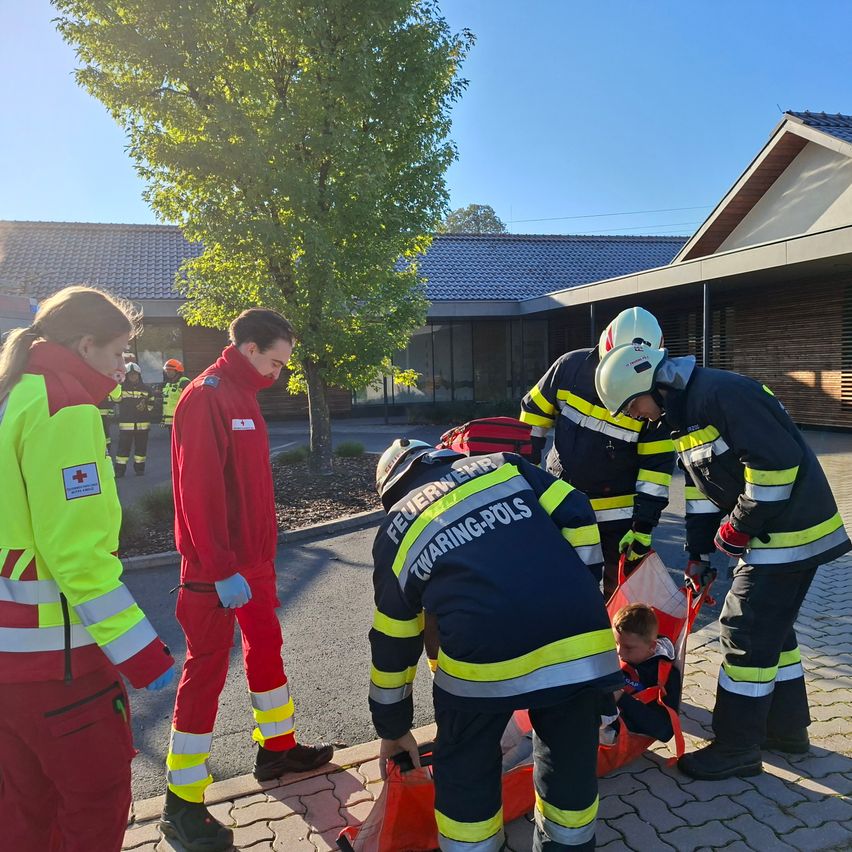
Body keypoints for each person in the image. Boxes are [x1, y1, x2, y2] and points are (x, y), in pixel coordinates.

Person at [595, 343, 851, 780]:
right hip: (775, 535)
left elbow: (776, 467)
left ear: (650, 385)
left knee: (743, 630)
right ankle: (785, 730)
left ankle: (737, 747)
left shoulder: (720, 395)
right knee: (772, 632)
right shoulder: (684, 413)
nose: (637, 417)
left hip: (787, 536)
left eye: (633, 405)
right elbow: (703, 492)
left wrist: (737, 527)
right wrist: (698, 554)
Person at [370, 438, 623, 851]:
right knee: (570, 764)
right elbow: (576, 508)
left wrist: (393, 727)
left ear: (391, 490)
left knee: (466, 772)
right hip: (574, 648)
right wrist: (581, 592)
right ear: (440, 457)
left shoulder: (395, 528)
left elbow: (394, 640)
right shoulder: (504, 465)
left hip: (479, 669)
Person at [0, 285, 175, 852]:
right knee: (94, 803)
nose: (124, 366)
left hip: (10, 662)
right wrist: (142, 652)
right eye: (119, 352)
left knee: (23, 812)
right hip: (60, 663)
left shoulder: (13, 395)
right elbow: (75, 554)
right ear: (84, 344)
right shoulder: (65, 408)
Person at [160, 308, 333, 852]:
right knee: (206, 673)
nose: (279, 374)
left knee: (266, 649)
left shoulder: (243, 396)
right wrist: (220, 569)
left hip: (252, 564)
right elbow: (199, 494)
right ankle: (181, 805)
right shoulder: (206, 396)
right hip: (217, 572)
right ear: (250, 348)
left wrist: (252, 561)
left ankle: (277, 750)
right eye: (275, 362)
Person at [520, 307, 675, 599]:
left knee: (617, 597)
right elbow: (533, 416)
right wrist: (525, 478)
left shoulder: (655, 399)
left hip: (617, 519)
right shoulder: (569, 368)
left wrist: (643, 527)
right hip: (561, 502)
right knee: (561, 585)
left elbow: (656, 469)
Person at [607, 603, 681, 743]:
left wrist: (621, 697)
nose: (619, 652)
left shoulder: (666, 676)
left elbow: (665, 731)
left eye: (628, 648)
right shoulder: (622, 655)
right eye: (616, 643)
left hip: (622, 735)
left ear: (652, 646)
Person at [114, 361, 155, 477]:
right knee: (123, 451)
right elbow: (116, 400)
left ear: (139, 375)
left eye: (135, 374)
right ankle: (120, 471)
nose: (133, 376)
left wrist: (146, 411)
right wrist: (116, 385)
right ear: (126, 376)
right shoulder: (121, 388)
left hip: (143, 426)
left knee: (141, 451)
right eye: (131, 375)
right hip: (126, 426)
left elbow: (151, 402)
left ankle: (139, 469)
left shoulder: (146, 389)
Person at [161, 358, 190, 429]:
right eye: (166, 370)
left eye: (170, 370)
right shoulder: (168, 384)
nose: (168, 372)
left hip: (180, 419)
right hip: (169, 420)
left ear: (177, 371)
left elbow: (189, 401)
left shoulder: (184, 382)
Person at [97, 382, 123, 455]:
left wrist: (111, 410)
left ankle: (106, 449)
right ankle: (105, 450)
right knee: (103, 432)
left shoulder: (105, 386)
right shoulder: (105, 385)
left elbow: (112, 399)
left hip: (102, 414)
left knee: (105, 432)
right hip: (99, 414)